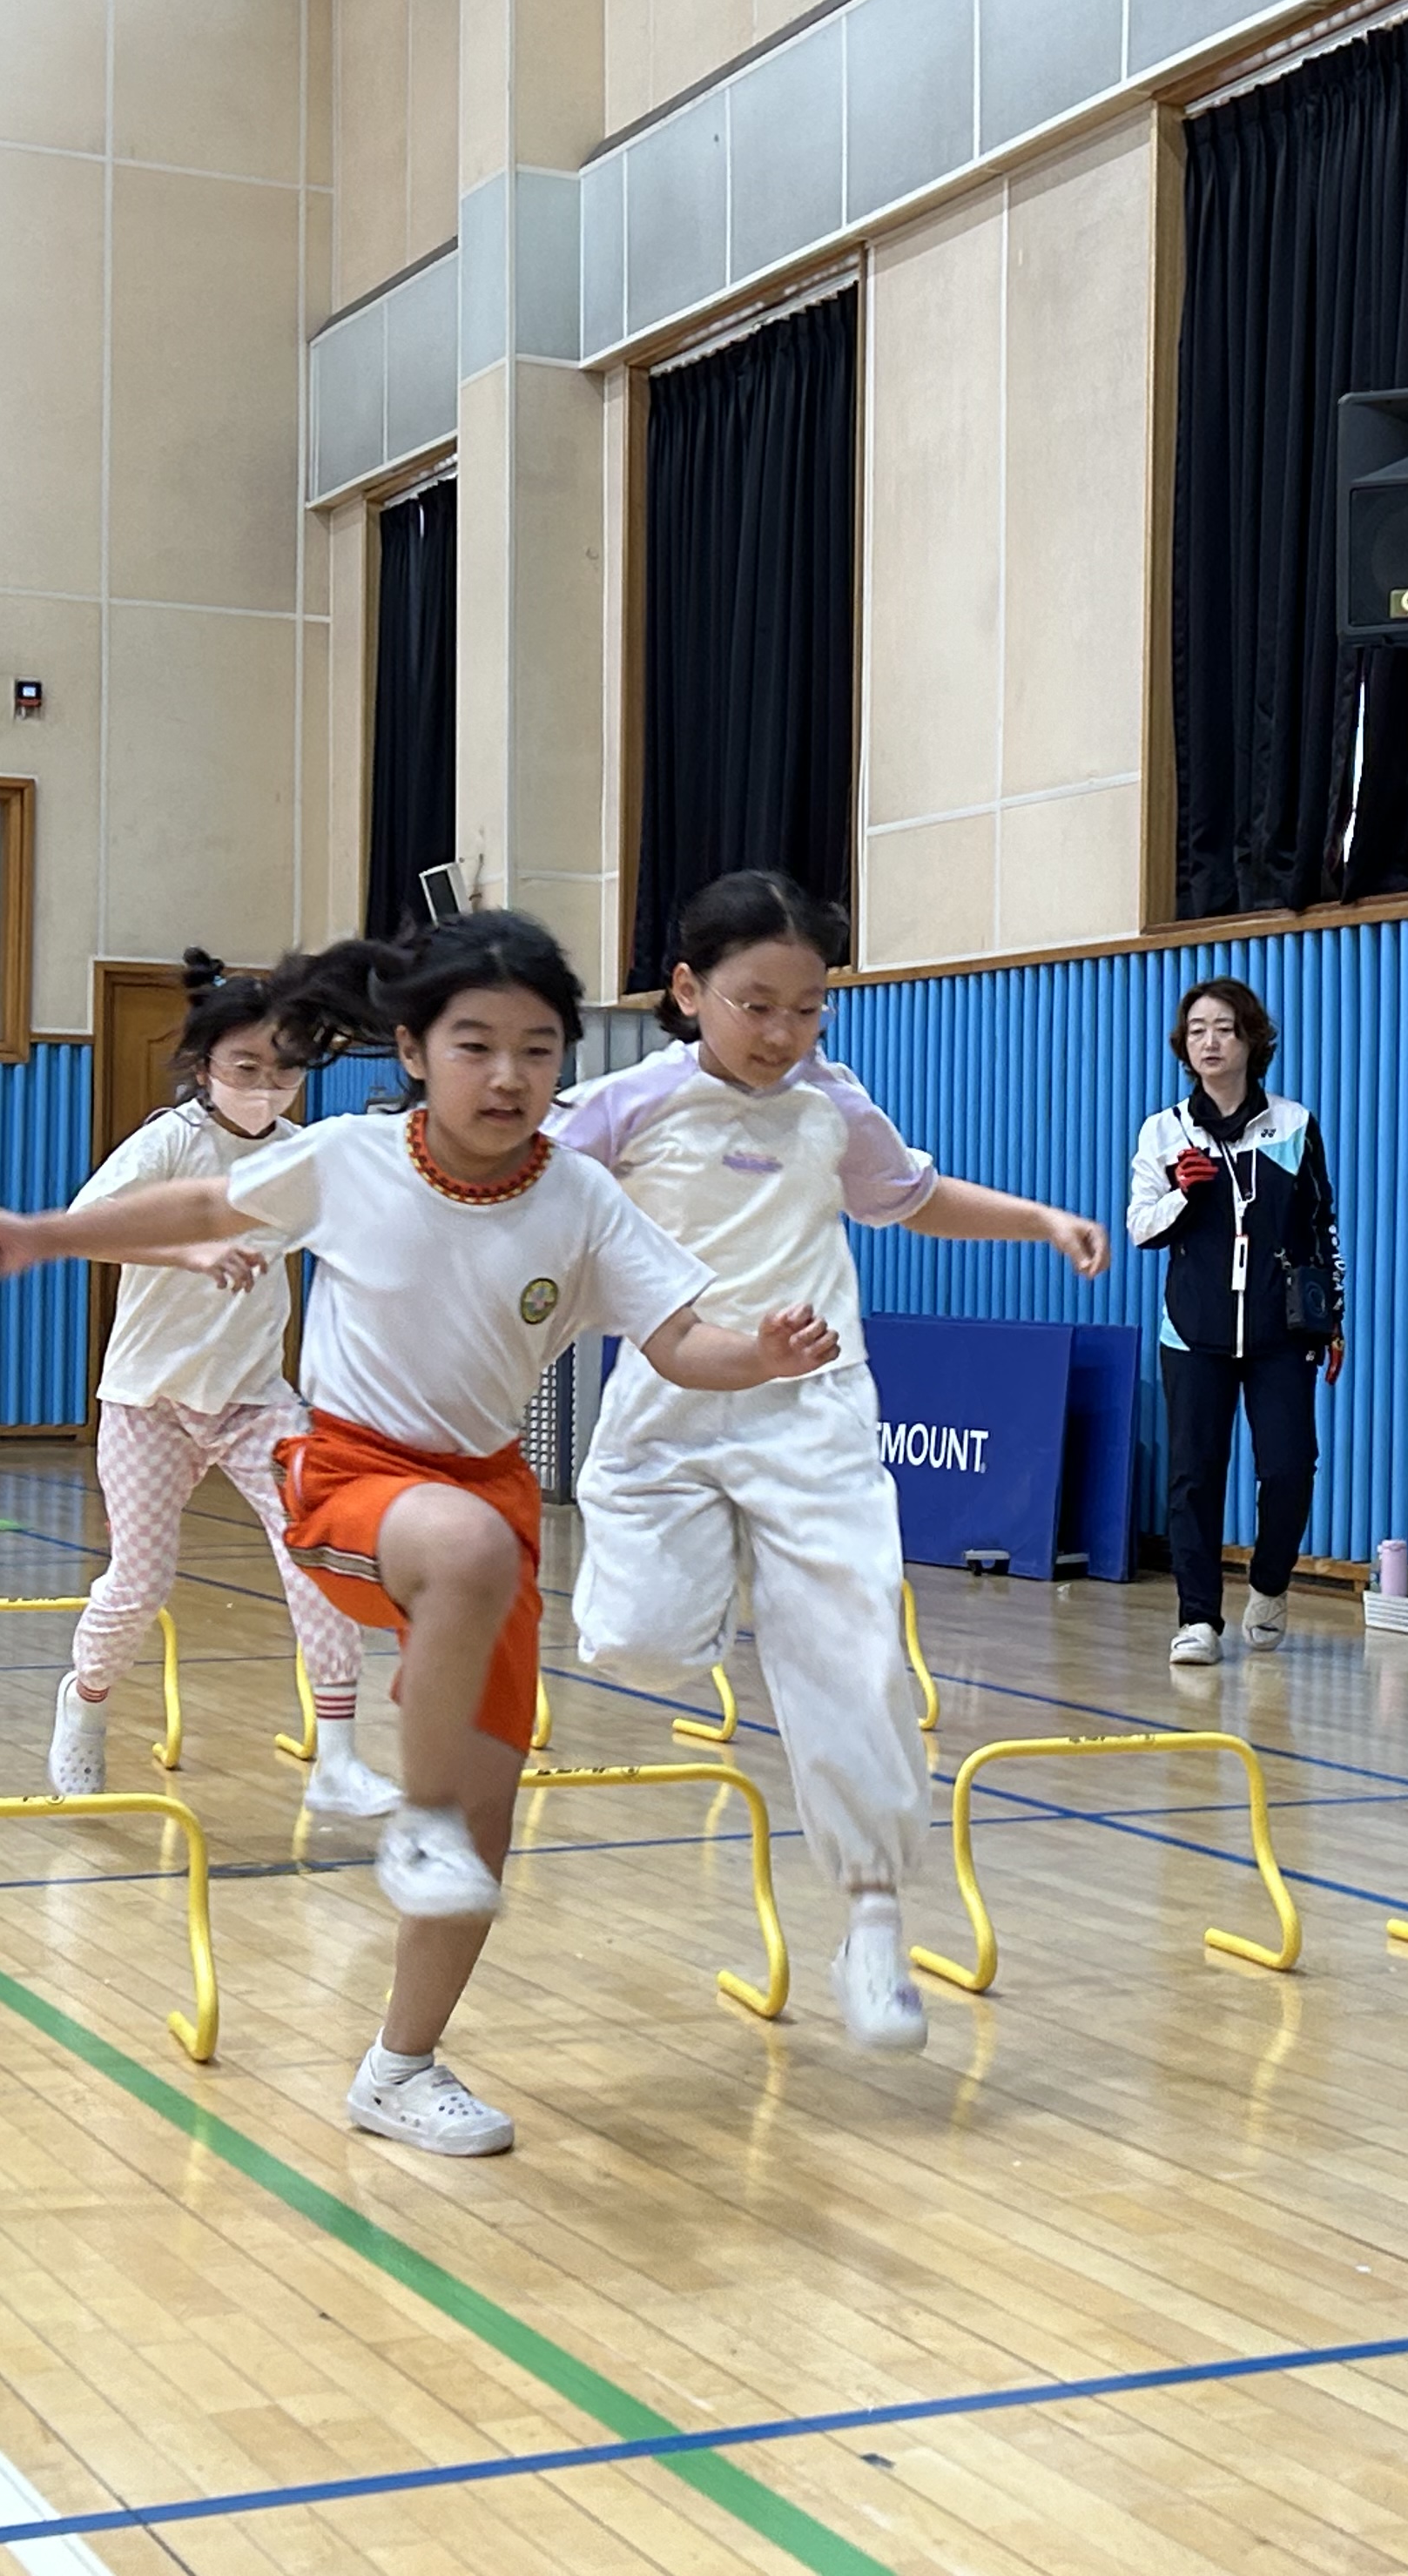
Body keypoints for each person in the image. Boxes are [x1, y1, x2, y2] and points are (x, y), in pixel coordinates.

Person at [0, 912, 835, 2159]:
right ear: (414, 1051)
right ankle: (408, 1814)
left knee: (489, 1820)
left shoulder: (579, 1196)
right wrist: (42, 1236)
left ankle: (399, 2068)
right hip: (350, 1480)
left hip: (486, 1502)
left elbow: (681, 1340)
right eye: (475, 1045)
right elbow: (196, 1202)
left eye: (537, 1049)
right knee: (460, 1566)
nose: (509, 1076)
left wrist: (762, 1354)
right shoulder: (352, 1161)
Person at [550, 870, 1109, 2052]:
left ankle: (872, 1920)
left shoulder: (831, 1104)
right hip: (671, 1400)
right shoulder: (621, 1107)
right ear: (688, 990)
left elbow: (910, 1196)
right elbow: (516, 1193)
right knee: (638, 1641)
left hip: (813, 1413)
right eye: (756, 1006)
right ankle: (708, 1594)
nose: (782, 1033)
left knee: (855, 1662)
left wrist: (1039, 1220)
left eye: (808, 1009)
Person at [50, 949, 392, 1817]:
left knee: (321, 1558)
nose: (265, 1088)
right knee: (139, 1583)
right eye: (246, 1069)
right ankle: (84, 1703)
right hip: (150, 1400)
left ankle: (339, 1757)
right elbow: (85, 1227)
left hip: (253, 1401)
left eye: (283, 1072)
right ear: (205, 1067)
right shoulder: (171, 1142)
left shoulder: (304, 1156)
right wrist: (192, 1250)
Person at [1126, 977, 1344, 1667]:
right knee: (1194, 1475)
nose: (1210, 1042)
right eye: (1197, 1031)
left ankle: (1271, 1584)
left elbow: (1320, 1226)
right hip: (1193, 1331)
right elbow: (1140, 1226)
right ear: (1183, 1048)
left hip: (1281, 1332)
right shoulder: (1164, 1130)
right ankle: (1197, 1619)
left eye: (1224, 1028)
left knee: (1289, 1467)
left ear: (1252, 1039)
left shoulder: (1294, 1125)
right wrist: (1183, 1195)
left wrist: (1332, 1319)